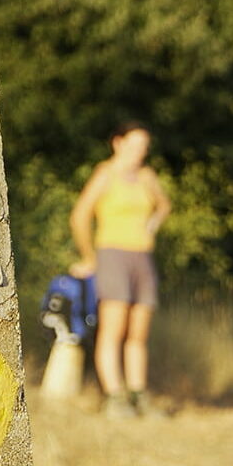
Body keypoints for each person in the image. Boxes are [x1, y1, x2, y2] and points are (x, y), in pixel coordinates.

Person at [69, 121, 171, 418]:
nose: (141, 152)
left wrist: (151, 226)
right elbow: (79, 217)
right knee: (114, 328)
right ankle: (115, 396)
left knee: (138, 332)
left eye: (144, 146)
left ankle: (138, 394)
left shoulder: (146, 176)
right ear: (118, 143)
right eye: (135, 144)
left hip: (142, 257)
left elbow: (164, 205)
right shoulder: (105, 174)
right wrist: (90, 258)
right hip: (112, 254)